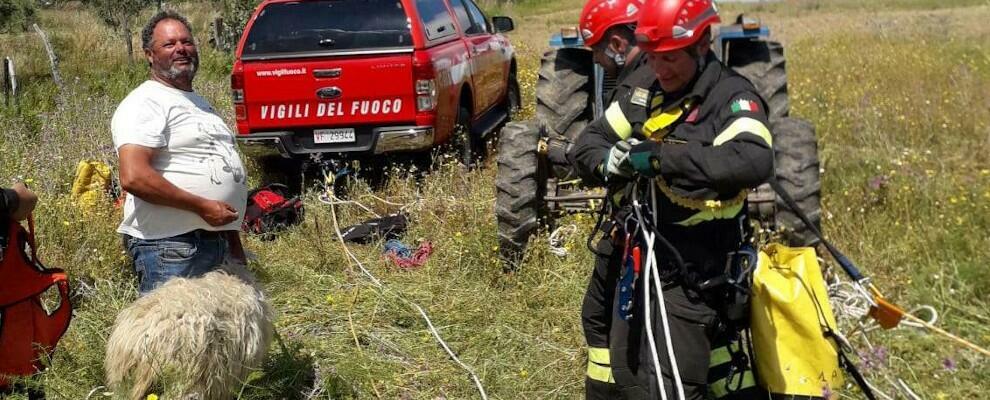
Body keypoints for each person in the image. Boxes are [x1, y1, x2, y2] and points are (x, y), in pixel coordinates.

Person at [569, 0, 774, 398]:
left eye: (670, 59)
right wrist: (610, 162)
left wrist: (665, 158)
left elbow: (753, 158)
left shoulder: (731, 97)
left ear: (702, 44)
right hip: (643, 253)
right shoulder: (647, 90)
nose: (660, 70)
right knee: (622, 349)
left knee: (674, 380)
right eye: (651, 58)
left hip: (695, 269)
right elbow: (588, 144)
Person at [113, 10, 248, 296]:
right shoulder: (146, 102)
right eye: (169, 44)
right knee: (172, 337)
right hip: (172, 248)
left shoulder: (196, 102)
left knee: (214, 337)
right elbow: (134, 176)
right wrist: (202, 207)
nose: (181, 49)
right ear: (150, 54)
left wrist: (232, 241)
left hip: (213, 241)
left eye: (186, 42)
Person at [573, 0, 656, 397]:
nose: (599, 62)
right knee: (600, 318)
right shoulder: (637, 85)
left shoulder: (644, 87)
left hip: (646, 231)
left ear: (618, 43)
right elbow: (591, 142)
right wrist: (608, 160)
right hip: (630, 224)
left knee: (610, 321)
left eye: (597, 51)